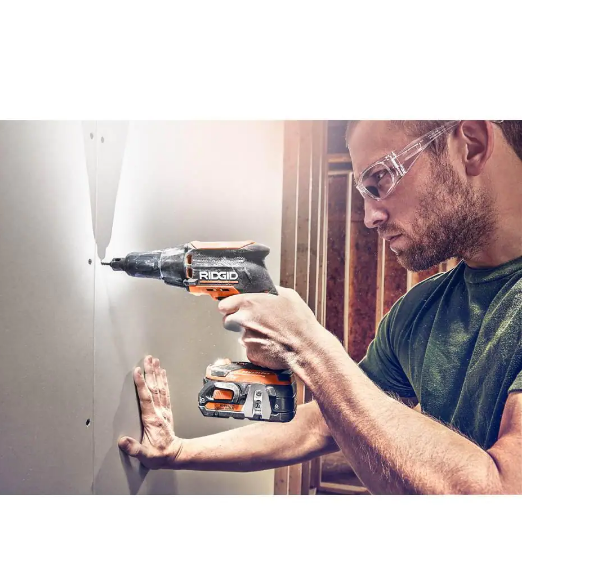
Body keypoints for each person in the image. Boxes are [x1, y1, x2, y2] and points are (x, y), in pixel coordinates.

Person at [118, 120, 522, 495]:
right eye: (363, 193)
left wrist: (309, 347)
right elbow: (323, 424)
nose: (369, 217)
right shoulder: (420, 310)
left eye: (381, 178)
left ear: (472, 145)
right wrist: (178, 451)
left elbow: (505, 492)